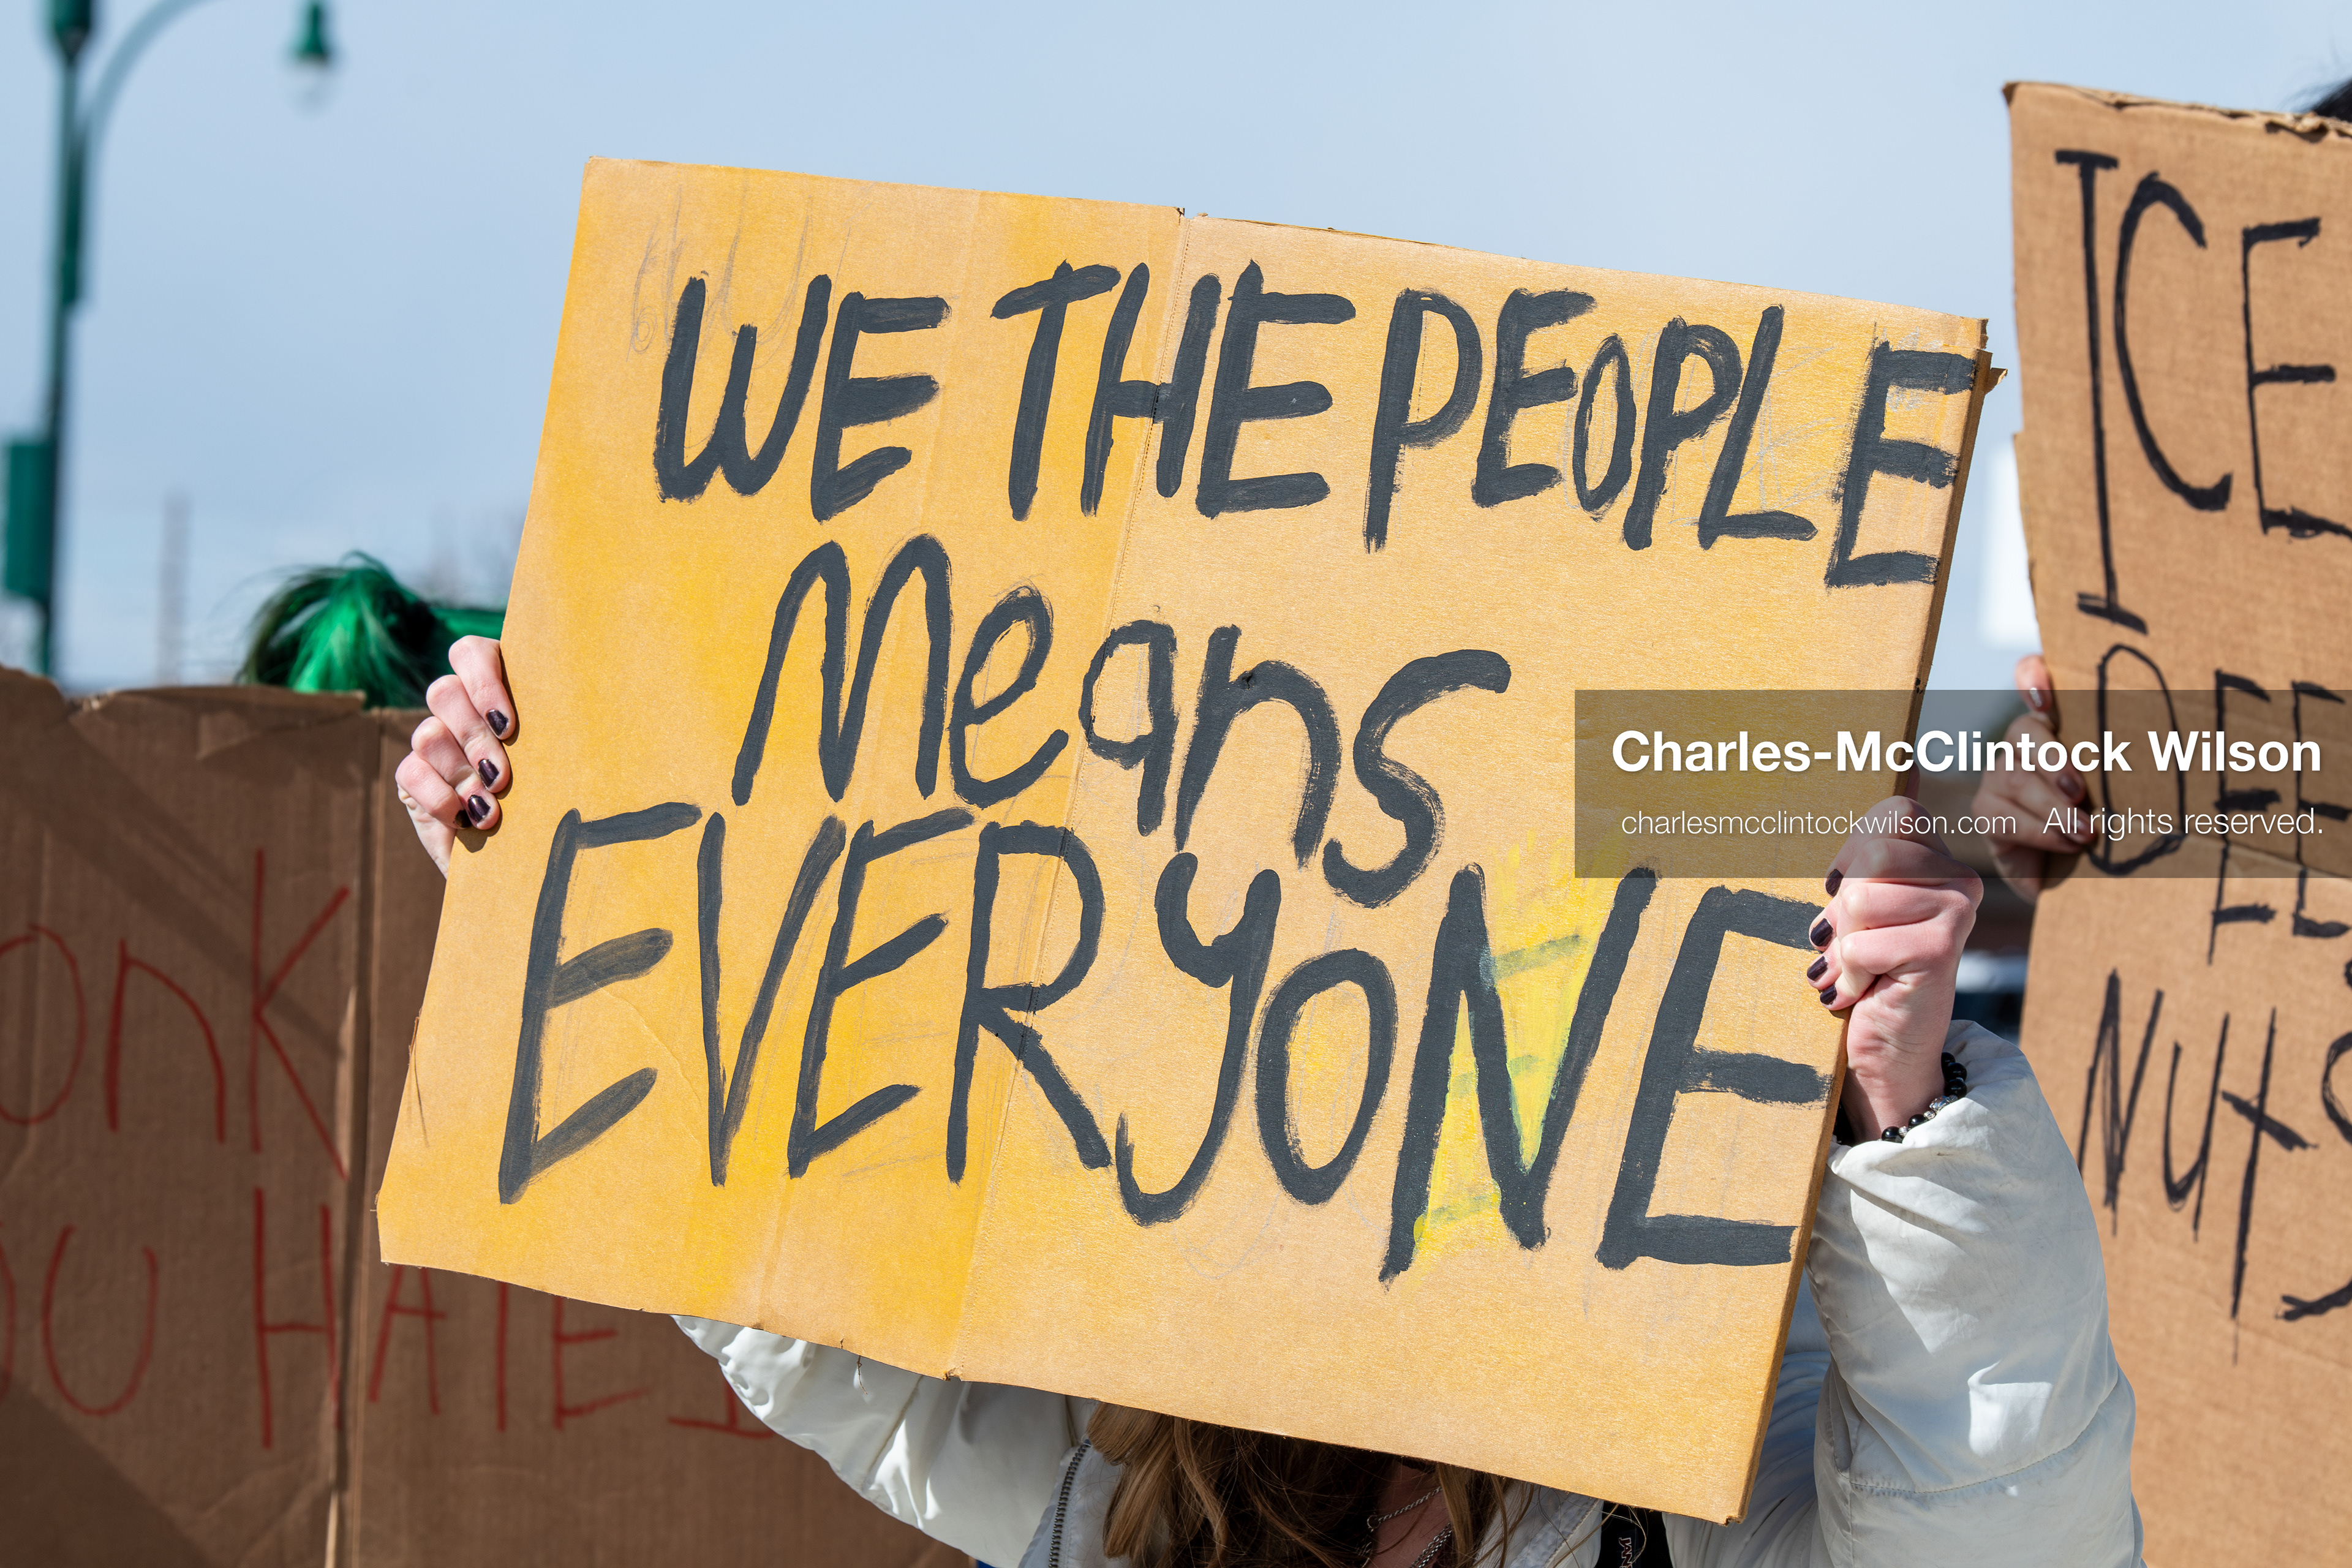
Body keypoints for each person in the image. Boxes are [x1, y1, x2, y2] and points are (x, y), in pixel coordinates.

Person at [398, 637, 2143, 1568]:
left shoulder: (1707, 1484)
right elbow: (784, 1302)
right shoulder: (1133, 1510)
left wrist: (1894, 1111)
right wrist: (555, 846)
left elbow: (1999, 1524)